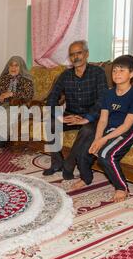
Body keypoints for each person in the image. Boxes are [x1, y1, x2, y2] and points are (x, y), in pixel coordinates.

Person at [43, 40, 108, 188]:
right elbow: (51, 98)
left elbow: (103, 100)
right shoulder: (65, 75)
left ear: (86, 54)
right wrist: (61, 117)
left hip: (91, 117)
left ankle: (69, 164)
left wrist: (87, 118)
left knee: (88, 130)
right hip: (71, 115)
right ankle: (57, 163)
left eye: (79, 53)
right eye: (72, 55)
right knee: (51, 123)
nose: (75, 57)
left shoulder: (98, 73)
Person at [88, 55, 133, 203]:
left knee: (106, 154)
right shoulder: (108, 93)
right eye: (114, 71)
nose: (117, 74)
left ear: (132, 74)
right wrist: (97, 139)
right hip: (110, 129)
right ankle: (85, 178)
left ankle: (121, 187)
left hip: (129, 131)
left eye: (122, 70)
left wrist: (103, 140)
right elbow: (103, 119)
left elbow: (126, 125)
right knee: (91, 147)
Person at [0, 56, 34, 156]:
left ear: (21, 67)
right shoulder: (5, 79)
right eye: (11, 65)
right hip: (4, 106)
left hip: (21, 106)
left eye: (16, 65)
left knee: (6, 115)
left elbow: (28, 95)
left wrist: (11, 94)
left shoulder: (27, 80)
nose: (13, 68)